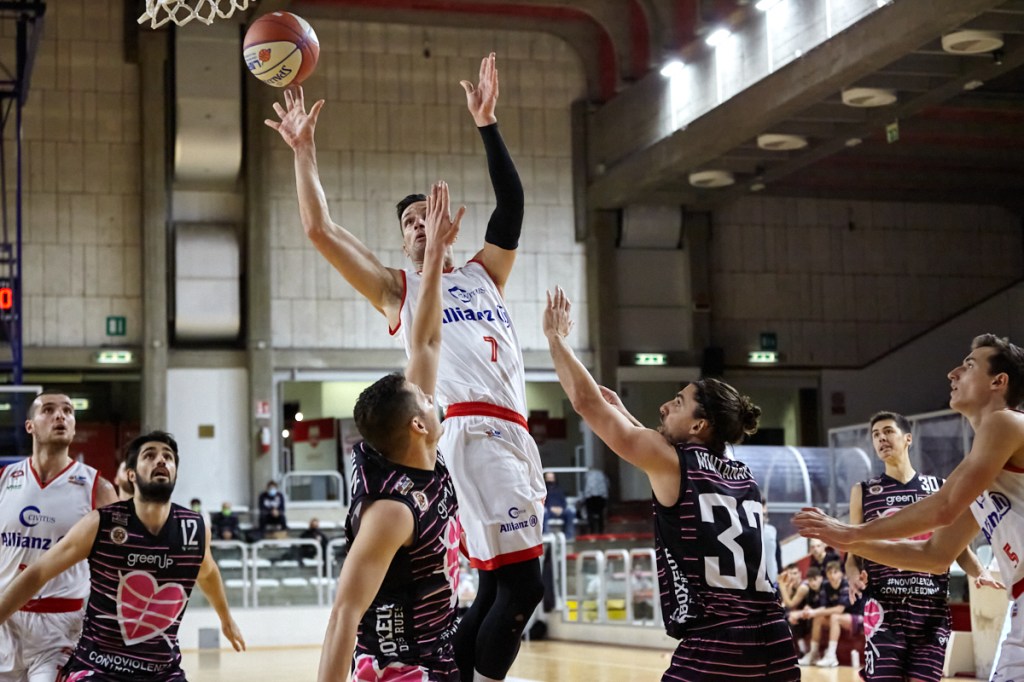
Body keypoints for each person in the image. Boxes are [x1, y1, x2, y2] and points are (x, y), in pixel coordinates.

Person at [268, 53, 546, 681]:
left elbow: (512, 204)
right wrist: (303, 153)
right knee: (522, 586)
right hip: (464, 431)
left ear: (449, 225)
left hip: (514, 432)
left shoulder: (484, 273)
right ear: (402, 243)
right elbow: (319, 229)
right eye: (409, 223)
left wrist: (488, 124)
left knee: (497, 585)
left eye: (427, 216)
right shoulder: (399, 289)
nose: (420, 225)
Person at [543, 287, 799, 681]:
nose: (664, 406)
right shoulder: (743, 475)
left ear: (699, 425)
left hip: (719, 644)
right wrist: (627, 417)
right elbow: (661, 451)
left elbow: (585, 402)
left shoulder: (674, 463)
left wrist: (556, 339)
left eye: (678, 402)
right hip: (777, 644)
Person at [794, 333, 1024, 681]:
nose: (953, 373)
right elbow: (935, 555)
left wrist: (853, 533)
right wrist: (847, 541)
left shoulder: (1005, 422)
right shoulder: (979, 469)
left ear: (998, 381)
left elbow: (943, 507)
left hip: (934, 612)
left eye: (969, 365)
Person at [317, 181, 462, 681]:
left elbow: (427, 342)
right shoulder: (391, 513)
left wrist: (436, 254)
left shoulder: (417, 454)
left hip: (438, 649)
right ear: (418, 424)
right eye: (426, 399)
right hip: (399, 669)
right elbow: (342, 616)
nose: (433, 397)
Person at [0, 430, 245, 680]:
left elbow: (208, 573)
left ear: (175, 473)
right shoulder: (101, 523)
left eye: (168, 457)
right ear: (131, 474)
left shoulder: (193, 529)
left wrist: (226, 619)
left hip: (162, 672)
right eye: (149, 455)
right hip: (97, 668)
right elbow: (39, 572)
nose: (161, 460)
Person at [842, 410, 998, 680]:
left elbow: (958, 549)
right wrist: (853, 576)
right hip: (884, 609)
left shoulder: (939, 488)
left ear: (908, 438)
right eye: (876, 435)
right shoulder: (864, 491)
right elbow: (853, 555)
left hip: (931, 609)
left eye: (888, 431)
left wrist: (980, 573)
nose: (881, 439)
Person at [0, 391, 118, 682]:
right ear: (30, 426)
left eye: (67, 411)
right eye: (49, 410)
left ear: (74, 426)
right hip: (4, 615)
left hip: (60, 626)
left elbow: (116, 567)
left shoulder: (98, 488)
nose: (60, 416)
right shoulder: (4, 479)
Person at [795, 561, 851, 666]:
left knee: (835, 617)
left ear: (841, 573)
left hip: (856, 616)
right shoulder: (826, 586)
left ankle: (831, 656)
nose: (832, 575)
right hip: (838, 618)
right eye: (830, 573)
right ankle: (814, 654)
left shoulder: (846, 584)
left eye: (835, 572)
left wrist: (814, 612)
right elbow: (823, 607)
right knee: (818, 618)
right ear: (826, 575)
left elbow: (840, 609)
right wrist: (810, 611)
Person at [542, 471, 576, 541]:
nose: (550, 480)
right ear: (545, 479)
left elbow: (564, 502)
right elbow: (542, 502)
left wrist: (561, 509)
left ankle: (568, 537)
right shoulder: (542, 490)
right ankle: (546, 536)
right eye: (548, 478)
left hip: (560, 510)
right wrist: (550, 508)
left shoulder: (559, 489)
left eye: (551, 478)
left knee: (570, 512)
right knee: (543, 512)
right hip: (549, 510)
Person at [582, 467, 610, 535]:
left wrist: (585, 497)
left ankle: (592, 531)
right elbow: (607, 485)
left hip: (590, 497)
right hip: (601, 497)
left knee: (590, 514)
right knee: (600, 514)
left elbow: (586, 488)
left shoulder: (588, 475)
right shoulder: (602, 475)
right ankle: (601, 531)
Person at [762, 493, 782, 585]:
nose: (763, 510)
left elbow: (777, 554)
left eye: (764, 505)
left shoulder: (772, 530)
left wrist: (780, 572)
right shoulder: (746, 531)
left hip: (773, 583)